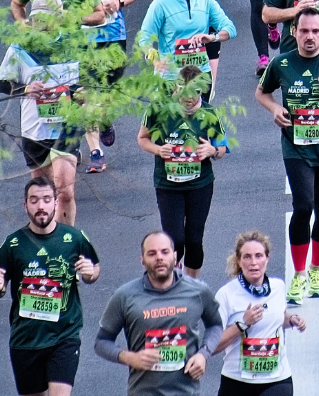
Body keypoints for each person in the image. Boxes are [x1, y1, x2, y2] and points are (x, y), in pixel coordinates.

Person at [256, 7, 319, 303]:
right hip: (295, 146)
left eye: (316, 31)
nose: (310, 37)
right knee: (304, 206)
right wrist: (275, 108)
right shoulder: (282, 63)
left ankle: (316, 269)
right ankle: (299, 275)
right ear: (294, 32)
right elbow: (261, 93)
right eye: (304, 31)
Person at [94, 231, 223, 395]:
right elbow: (102, 342)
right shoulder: (124, 295)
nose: (159, 258)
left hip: (186, 391)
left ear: (175, 257)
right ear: (142, 260)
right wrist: (129, 358)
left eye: (165, 252)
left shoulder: (198, 291)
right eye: (152, 253)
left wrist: (203, 354)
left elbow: (215, 325)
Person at [0, 0, 84, 224]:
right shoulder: (19, 47)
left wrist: (83, 94)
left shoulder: (73, 44)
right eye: (38, 19)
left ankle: (65, 243)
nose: (43, 24)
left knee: (65, 192)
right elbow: (2, 83)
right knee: (42, 196)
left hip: (67, 127)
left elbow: (89, 80)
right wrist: (25, 88)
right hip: (35, 129)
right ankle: (46, 240)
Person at [66, 0, 140, 172]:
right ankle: (95, 151)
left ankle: (106, 119)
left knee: (104, 95)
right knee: (85, 96)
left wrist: (118, 3)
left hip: (112, 37)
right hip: (81, 39)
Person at [138, 68, 229, 279]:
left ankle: (190, 287)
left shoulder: (210, 113)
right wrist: (159, 150)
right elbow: (142, 138)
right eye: (184, 91)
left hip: (200, 184)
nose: (189, 98)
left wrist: (212, 151)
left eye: (195, 92)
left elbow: (222, 148)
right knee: (174, 240)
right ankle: (171, 282)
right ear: (176, 88)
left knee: (195, 241)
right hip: (168, 185)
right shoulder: (158, 110)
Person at [212, 231, 307, 396]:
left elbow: (277, 317)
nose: (253, 262)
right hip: (237, 381)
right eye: (247, 257)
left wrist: (291, 319)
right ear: (239, 261)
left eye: (258, 256)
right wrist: (242, 324)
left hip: (277, 379)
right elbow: (212, 345)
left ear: (267, 258)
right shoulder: (226, 294)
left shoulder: (278, 287)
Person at [136, 0, 237, 89]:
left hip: (200, 76)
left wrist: (212, 37)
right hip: (171, 77)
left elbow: (230, 29)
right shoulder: (160, 4)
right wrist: (155, 59)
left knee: (201, 110)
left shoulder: (206, 1)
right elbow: (144, 38)